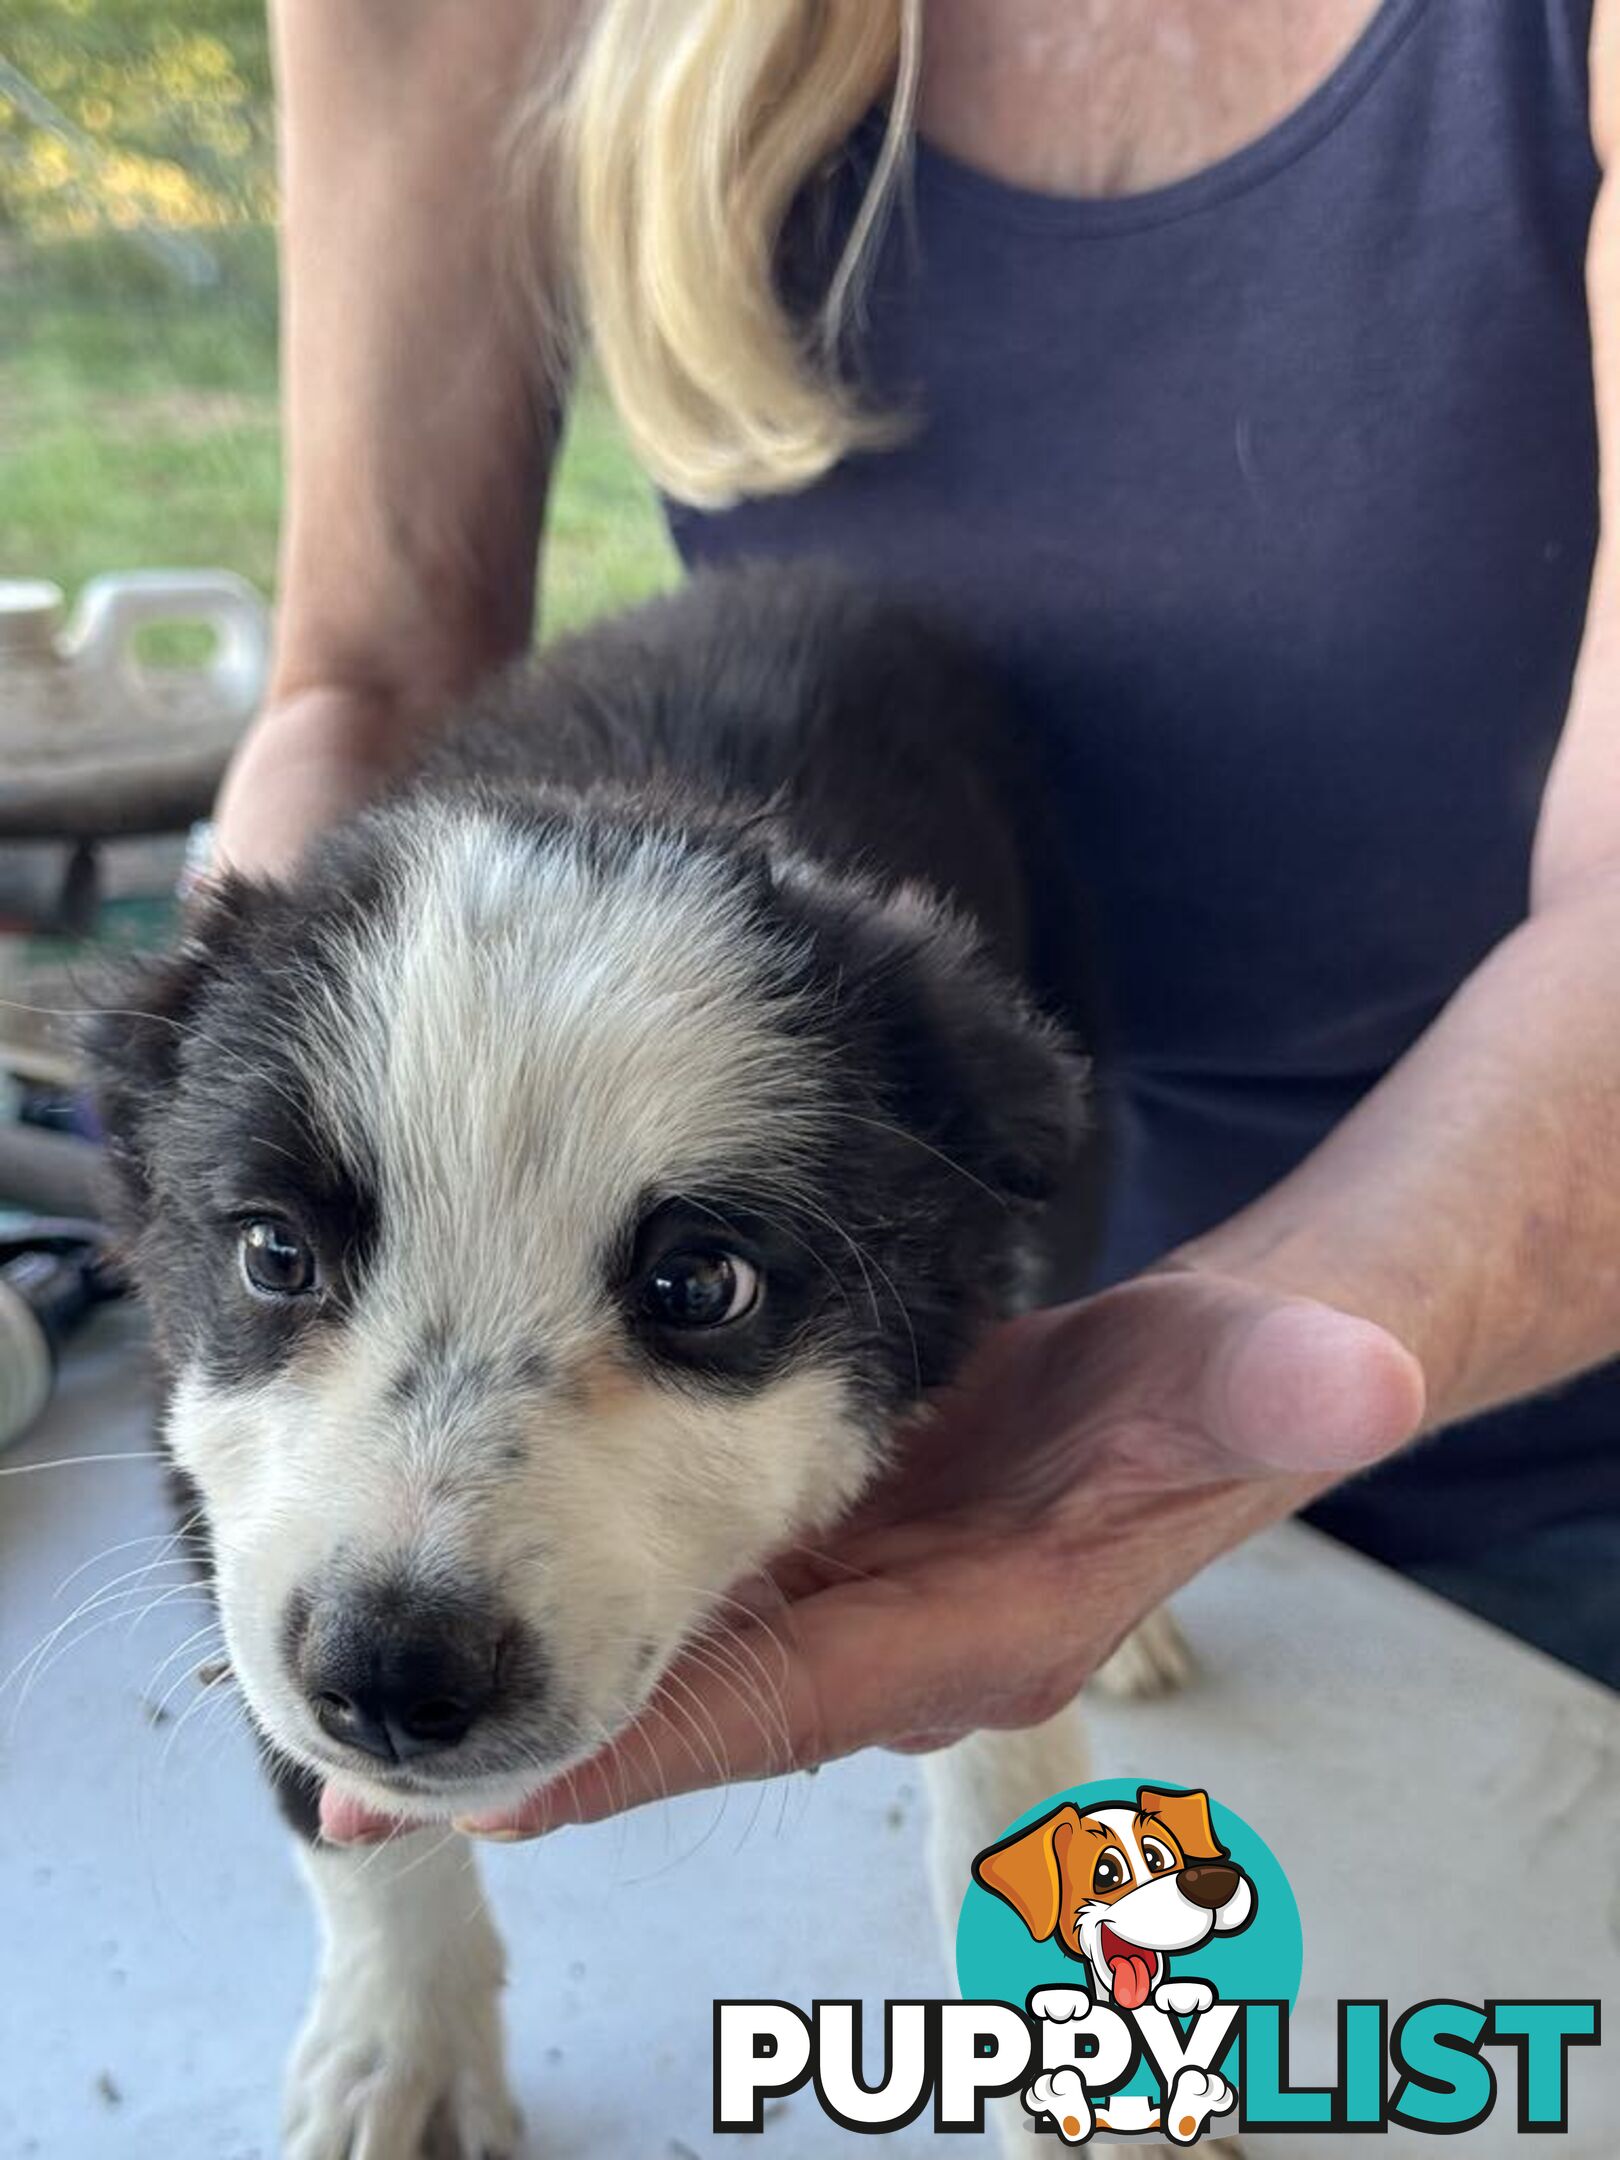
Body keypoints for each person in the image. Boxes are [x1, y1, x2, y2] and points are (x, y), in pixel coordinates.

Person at [224, 0, 1620, 1846]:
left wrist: (1221, 1391)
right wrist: (229, 1101)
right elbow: (377, 670)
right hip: (933, 1235)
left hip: (1530, 1391)